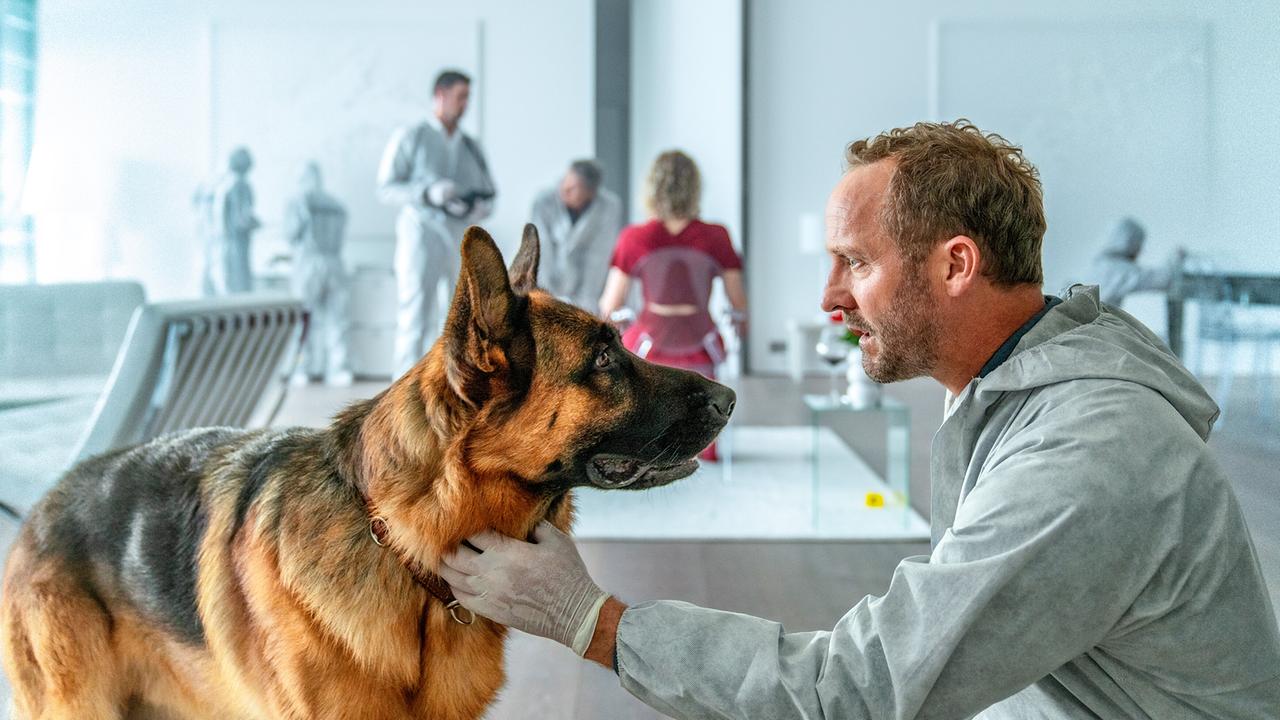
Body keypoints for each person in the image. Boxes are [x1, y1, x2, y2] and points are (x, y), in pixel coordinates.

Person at [439, 121, 1280, 718]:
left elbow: (856, 691)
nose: (829, 297)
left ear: (956, 265)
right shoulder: (1015, 393)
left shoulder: (1087, 459)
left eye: (856, 263)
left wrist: (589, 620)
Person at [598, 150, 747, 460]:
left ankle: (645, 438)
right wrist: (741, 325)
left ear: (652, 188)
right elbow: (738, 301)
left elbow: (610, 305)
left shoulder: (634, 238)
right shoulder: (716, 235)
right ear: (694, 188)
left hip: (650, 345)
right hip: (701, 342)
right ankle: (704, 442)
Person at [377, 68, 496, 377]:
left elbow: (488, 191)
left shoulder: (471, 146)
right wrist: (427, 192)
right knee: (414, 313)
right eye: (460, 97)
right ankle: (401, 391)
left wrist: (480, 208)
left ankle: (446, 387)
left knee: (458, 316)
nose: (465, 104)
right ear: (440, 96)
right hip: (421, 233)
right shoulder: (412, 137)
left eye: (468, 98)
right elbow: (385, 188)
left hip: (458, 236)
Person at [285, 161, 353, 387]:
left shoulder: (298, 202)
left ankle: (300, 370)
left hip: (308, 264)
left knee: (303, 321)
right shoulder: (336, 205)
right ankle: (339, 370)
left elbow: (291, 234)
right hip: (334, 263)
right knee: (337, 319)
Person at [528, 159, 623, 311]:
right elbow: (542, 251)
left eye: (574, 188)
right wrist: (545, 299)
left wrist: (584, 307)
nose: (564, 189)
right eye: (565, 180)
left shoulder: (609, 207)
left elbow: (598, 259)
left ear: (591, 193)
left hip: (587, 293)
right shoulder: (544, 202)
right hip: (546, 286)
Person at [1091, 216, 1186, 306]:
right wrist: (1176, 258)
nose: (1139, 252)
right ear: (1129, 243)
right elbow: (1162, 279)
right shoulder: (1118, 270)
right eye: (1138, 245)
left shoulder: (1099, 264)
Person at [208, 146, 262, 294]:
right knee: (240, 293)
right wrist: (257, 223)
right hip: (237, 247)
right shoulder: (241, 186)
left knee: (227, 291)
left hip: (222, 246)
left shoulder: (224, 185)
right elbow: (241, 220)